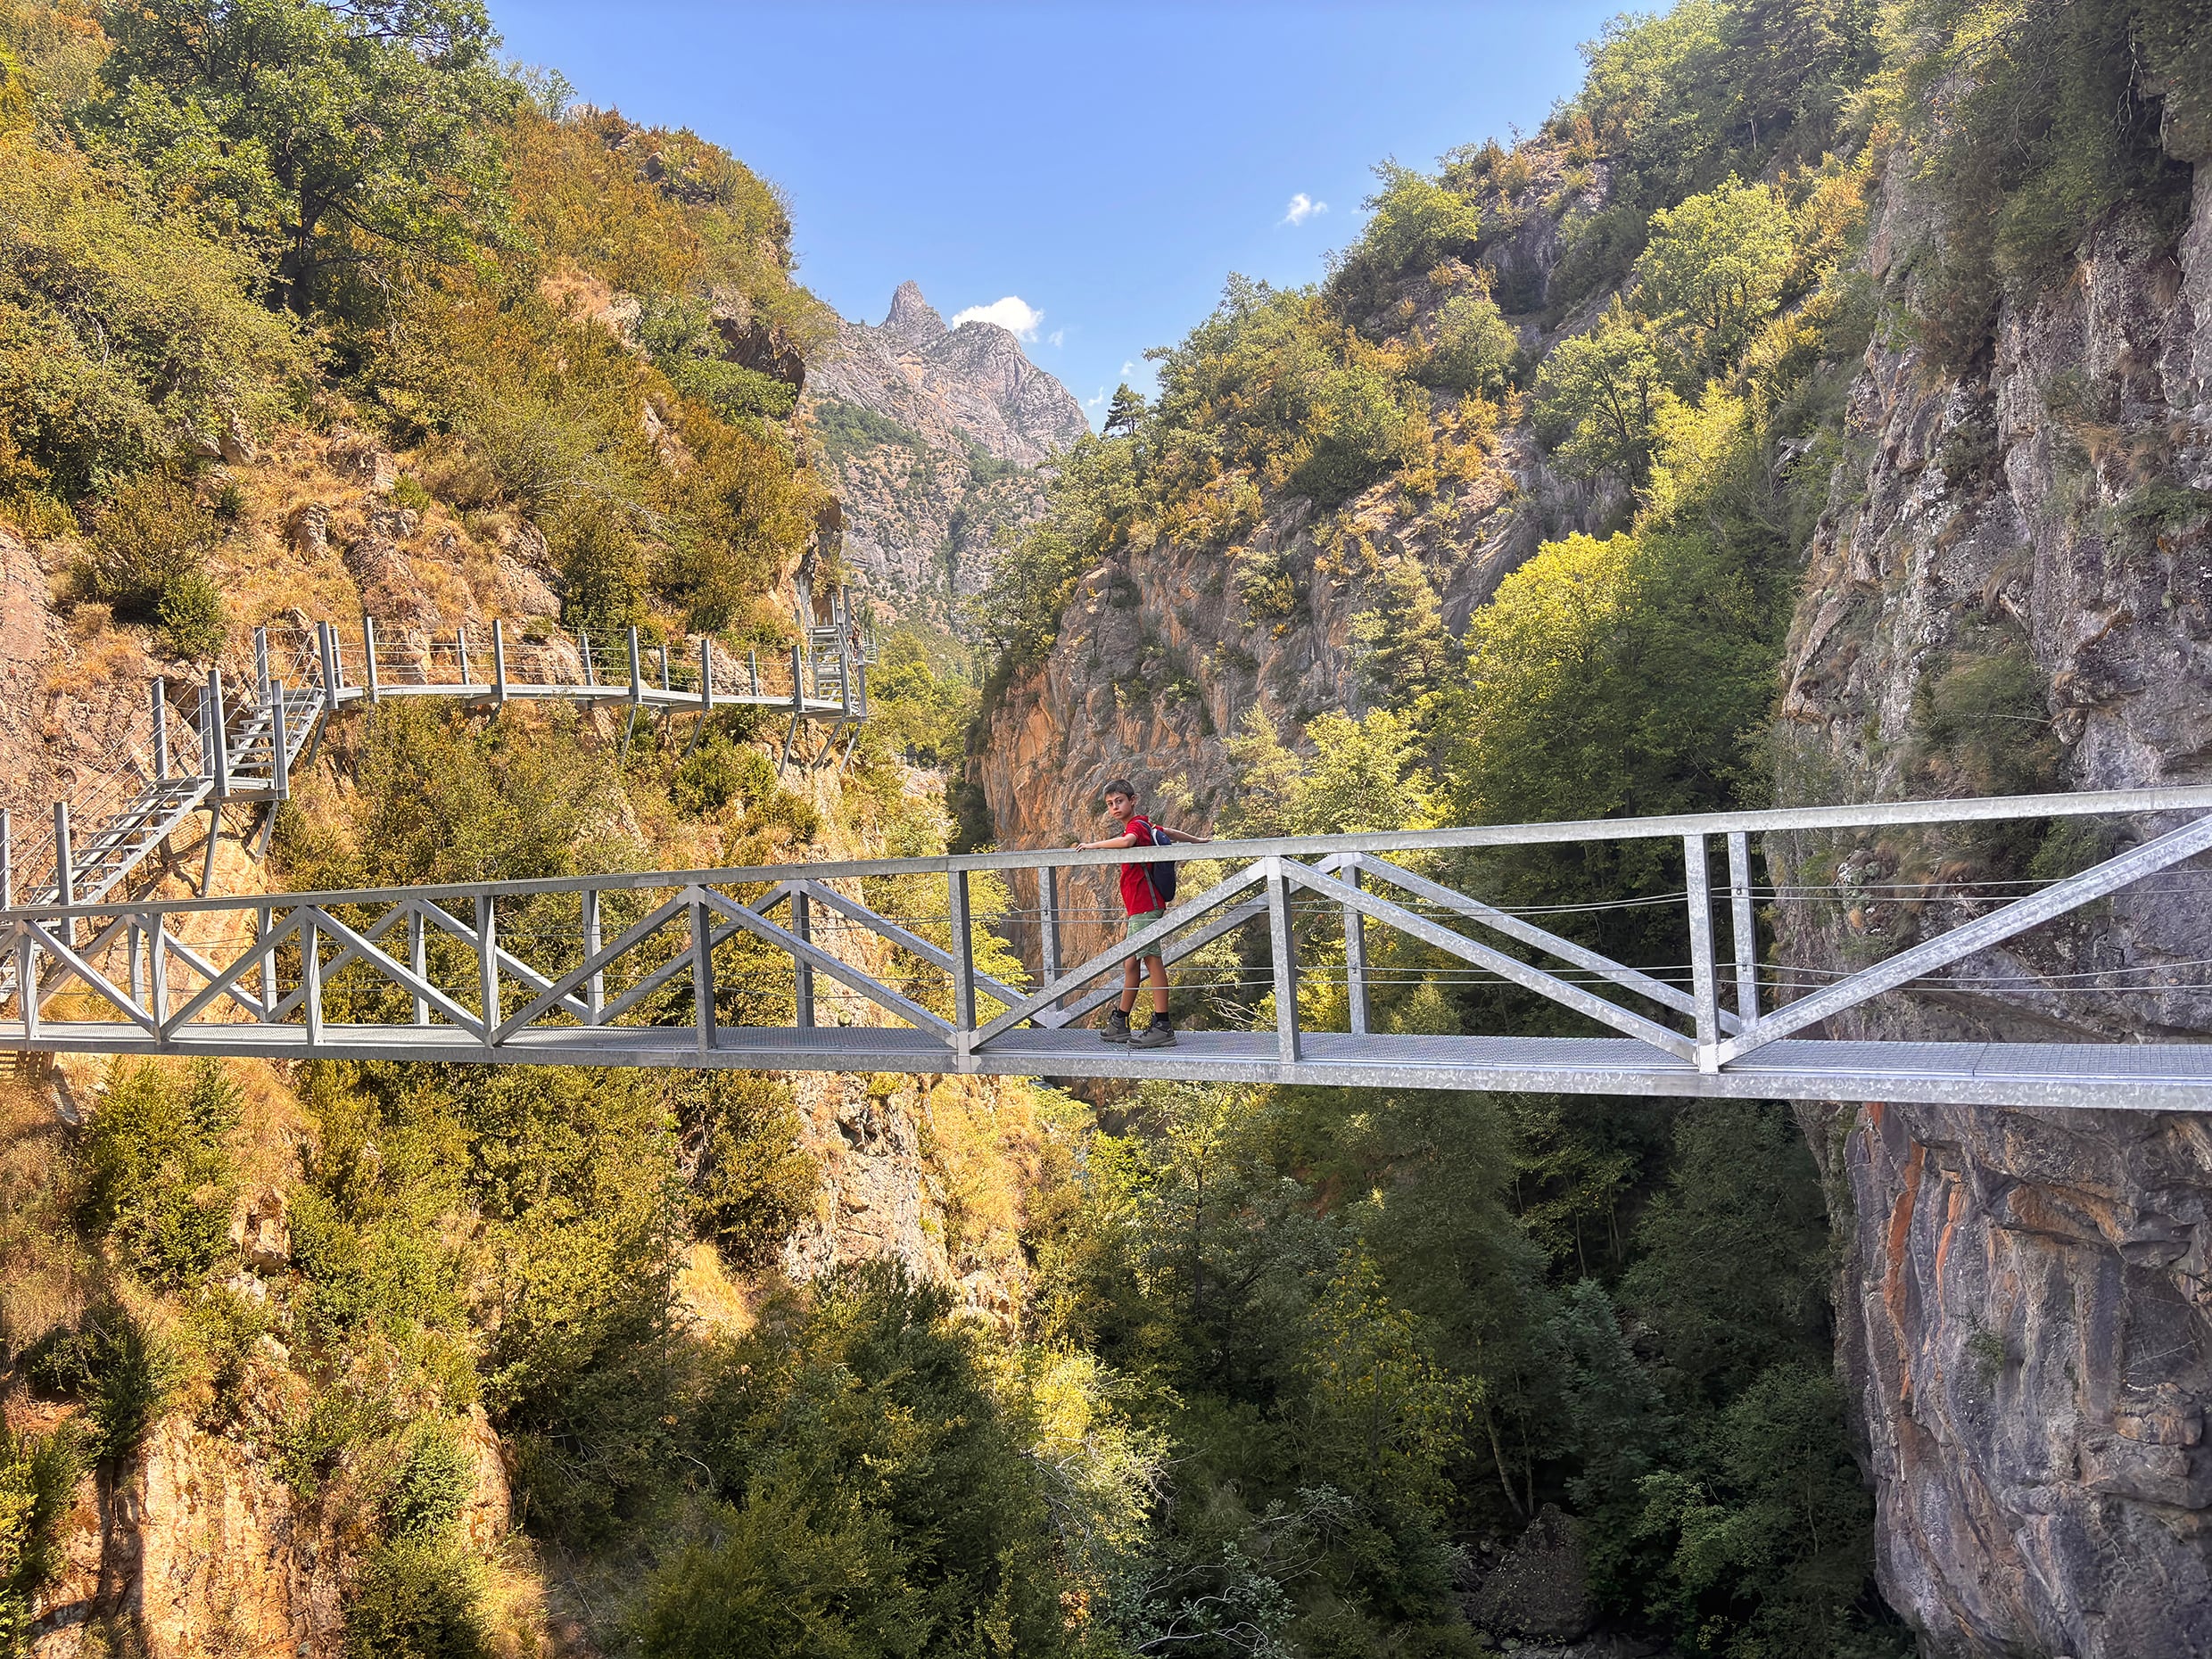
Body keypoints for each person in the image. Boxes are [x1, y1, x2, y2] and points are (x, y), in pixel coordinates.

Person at [1073, 779, 1209, 1047]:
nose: (1114, 807)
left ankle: (1162, 1025)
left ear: (1133, 800)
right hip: (1139, 906)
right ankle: (1120, 1021)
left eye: (1119, 801)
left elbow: (1127, 842)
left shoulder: (1135, 827)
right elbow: (1169, 832)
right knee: (1131, 963)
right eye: (1110, 804)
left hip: (1145, 904)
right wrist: (1198, 840)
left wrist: (1093, 845)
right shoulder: (1147, 824)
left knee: (1151, 960)